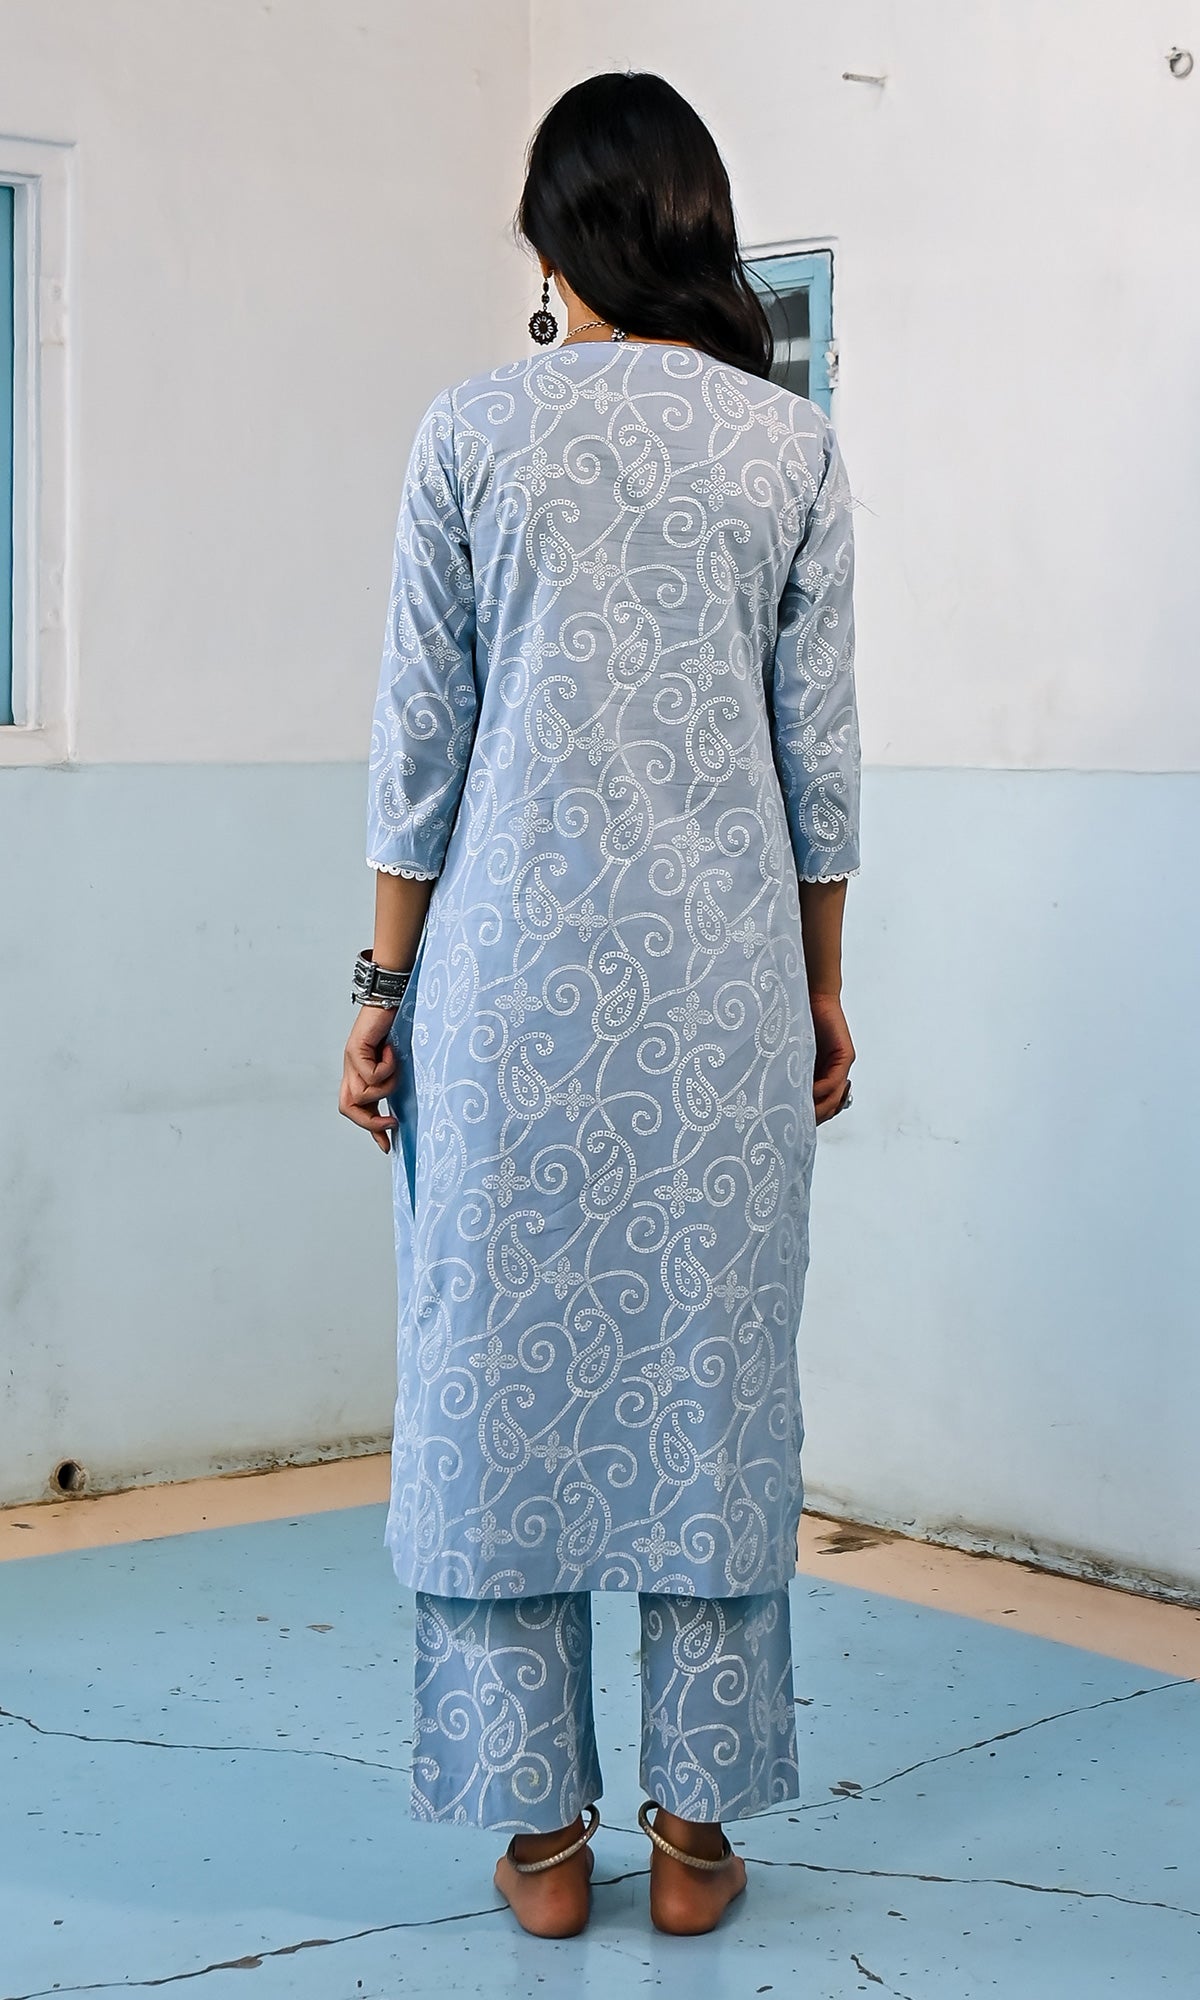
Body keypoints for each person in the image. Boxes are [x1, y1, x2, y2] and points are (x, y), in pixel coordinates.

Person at [339, 70, 860, 1940]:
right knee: (711, 1384)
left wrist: (379, 987)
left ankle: (542, 1844)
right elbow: (820, 764)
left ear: (560, 241)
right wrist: (820, 990)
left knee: (497, 1388)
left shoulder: (474, 430)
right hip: (724, 1005)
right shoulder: (789, 450)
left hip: (506, 1006)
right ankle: (698, 1840)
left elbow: (421, 747)